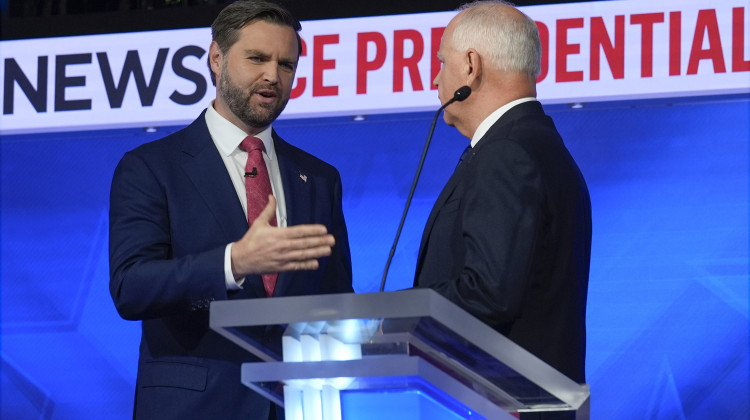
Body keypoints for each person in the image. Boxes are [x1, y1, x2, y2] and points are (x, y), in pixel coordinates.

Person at [108, 1, 353, 419]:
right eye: (257, 58)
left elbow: (337, 301)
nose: (273, 76)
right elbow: (131, 287)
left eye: (287, 64)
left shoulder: (319, 178)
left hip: (299, 407)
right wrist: (233, 262)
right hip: (196, 407)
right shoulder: (151, 166)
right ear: (217, 58)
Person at [413, 1, 592, 418]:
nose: (434, 78)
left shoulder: (507, 153)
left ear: (471, 66)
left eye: (441, 62)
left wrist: (389, 317)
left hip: (495, 405)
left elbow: (488, 294)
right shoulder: (542, 147)